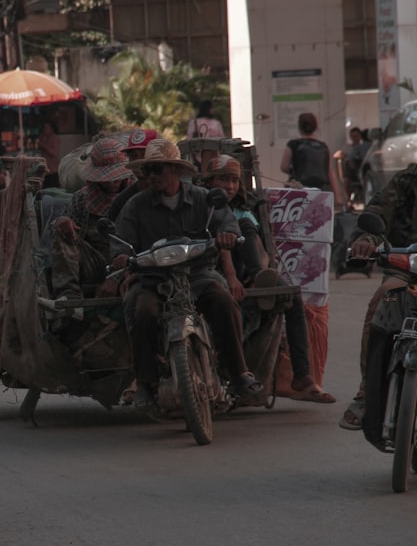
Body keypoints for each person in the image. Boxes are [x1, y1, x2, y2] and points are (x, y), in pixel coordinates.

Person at [113, 139, 261, 408]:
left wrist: (227, 234)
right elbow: (120, 242)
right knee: (142, 311)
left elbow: (226, 221)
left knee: (224, 301)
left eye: (157, 169)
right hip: (154, 280)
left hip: (198, 275)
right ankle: (145, 383)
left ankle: (239, 373)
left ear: (176, 171)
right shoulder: (136, 205)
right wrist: (121, 257)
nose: (152, 176)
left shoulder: (203, 198)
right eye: (148, 171)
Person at [200, 155, 335, 403]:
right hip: (211, 272)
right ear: (209, 182)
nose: (229, 186)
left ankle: (302, 375)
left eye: (233, 180)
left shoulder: (245, 208)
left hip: (249, 272)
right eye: (222, 179)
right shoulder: (202, 205)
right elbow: (221, 246)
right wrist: (231, 278)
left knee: (291, 296)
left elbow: (260, 247)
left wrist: (258, 273)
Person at [342, 107, 417, 431]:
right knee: (380, 305)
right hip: (406, 271)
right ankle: (367, 393)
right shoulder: (406, 181)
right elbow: (378, 210)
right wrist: (365, 239)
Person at [51, 136, 135, 303]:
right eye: (108, 177)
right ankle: (69, 294)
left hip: (128, 261)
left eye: (116, 175)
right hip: (93, 263)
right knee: (61, 231)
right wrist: (61, 223)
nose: (113, 181)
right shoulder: (81, 199)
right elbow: (59, 230)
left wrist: (117, 277)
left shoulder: (136, 195)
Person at [280, 112, 345, 208]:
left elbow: (284, 166)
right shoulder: (323, 146)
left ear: (299, 127)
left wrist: (294, 171)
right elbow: (330, 173)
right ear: (316, 127)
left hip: (299, 189)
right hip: (321, 190)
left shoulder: (293, 144)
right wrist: (338, 196)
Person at [333, 126, 369, 207]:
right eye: (352, 136)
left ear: (360, 136)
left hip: (361, 169)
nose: (354, 138)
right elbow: (337, 155)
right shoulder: (348, 147)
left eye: (356, 136)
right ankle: (347, 201)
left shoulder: (364, 147)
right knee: (346, 179)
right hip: (351, 172)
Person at [38, 120, 61, 189]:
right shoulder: (42, 137)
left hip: (52, 171)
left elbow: (54, 153)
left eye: (47, 128)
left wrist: (44, 145)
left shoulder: (55, 138)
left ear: (52, 129)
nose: (45, 130)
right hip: (44, 171)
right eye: (44, 128)